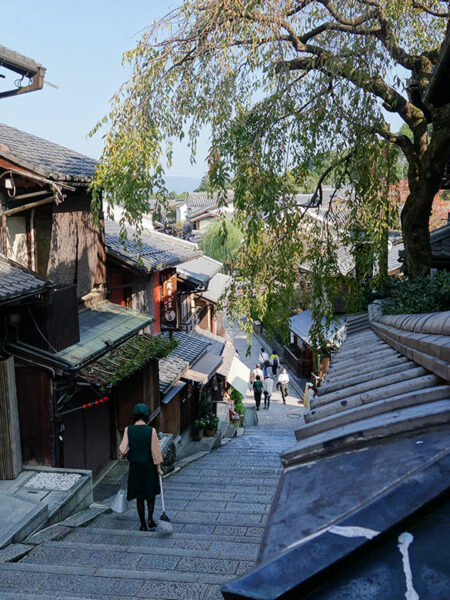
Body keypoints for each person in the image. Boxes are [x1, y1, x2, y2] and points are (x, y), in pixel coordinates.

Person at [119, 403, 163, 531]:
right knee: (150, 495)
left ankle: (142, 523)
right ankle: (150, 519)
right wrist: (159, 468)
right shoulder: (151, 431)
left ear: (135, 416)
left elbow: (122, 449)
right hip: (149, 467)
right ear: (146, 416)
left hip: (135, 468)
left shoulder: (128, 429)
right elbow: (156, 451)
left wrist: (125, 454)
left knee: (139, 497)